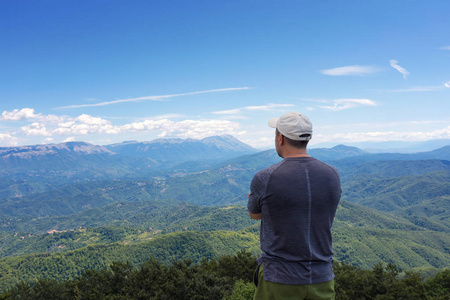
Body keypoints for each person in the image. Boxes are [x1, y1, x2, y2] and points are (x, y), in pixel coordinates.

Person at [247, 112, 341, 300]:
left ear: (280, 138)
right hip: (322, 277)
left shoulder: (265, 177)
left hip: (279, 279)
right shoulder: (332, 174)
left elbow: (254, 214)